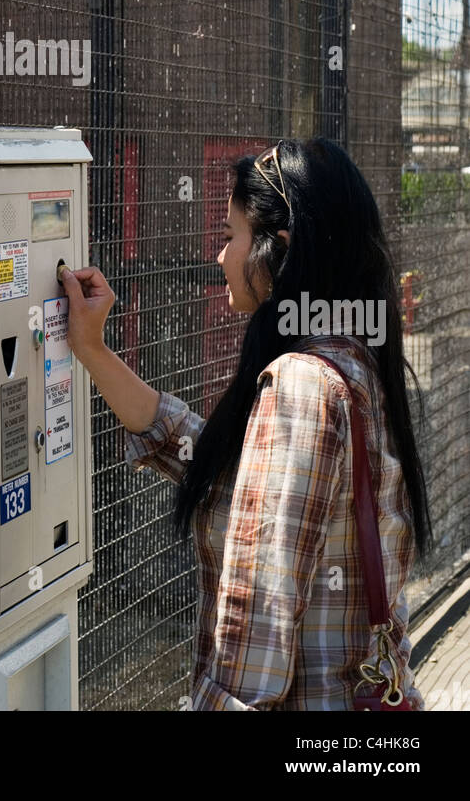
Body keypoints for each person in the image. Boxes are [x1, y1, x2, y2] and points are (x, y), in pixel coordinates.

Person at [60, 136, 433, 711]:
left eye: (230, 237)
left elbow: (256, 629)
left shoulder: (301, 387)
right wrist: (94, 352)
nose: (220, 257)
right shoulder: (352, 357)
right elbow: (223, 469)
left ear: (277, 250)